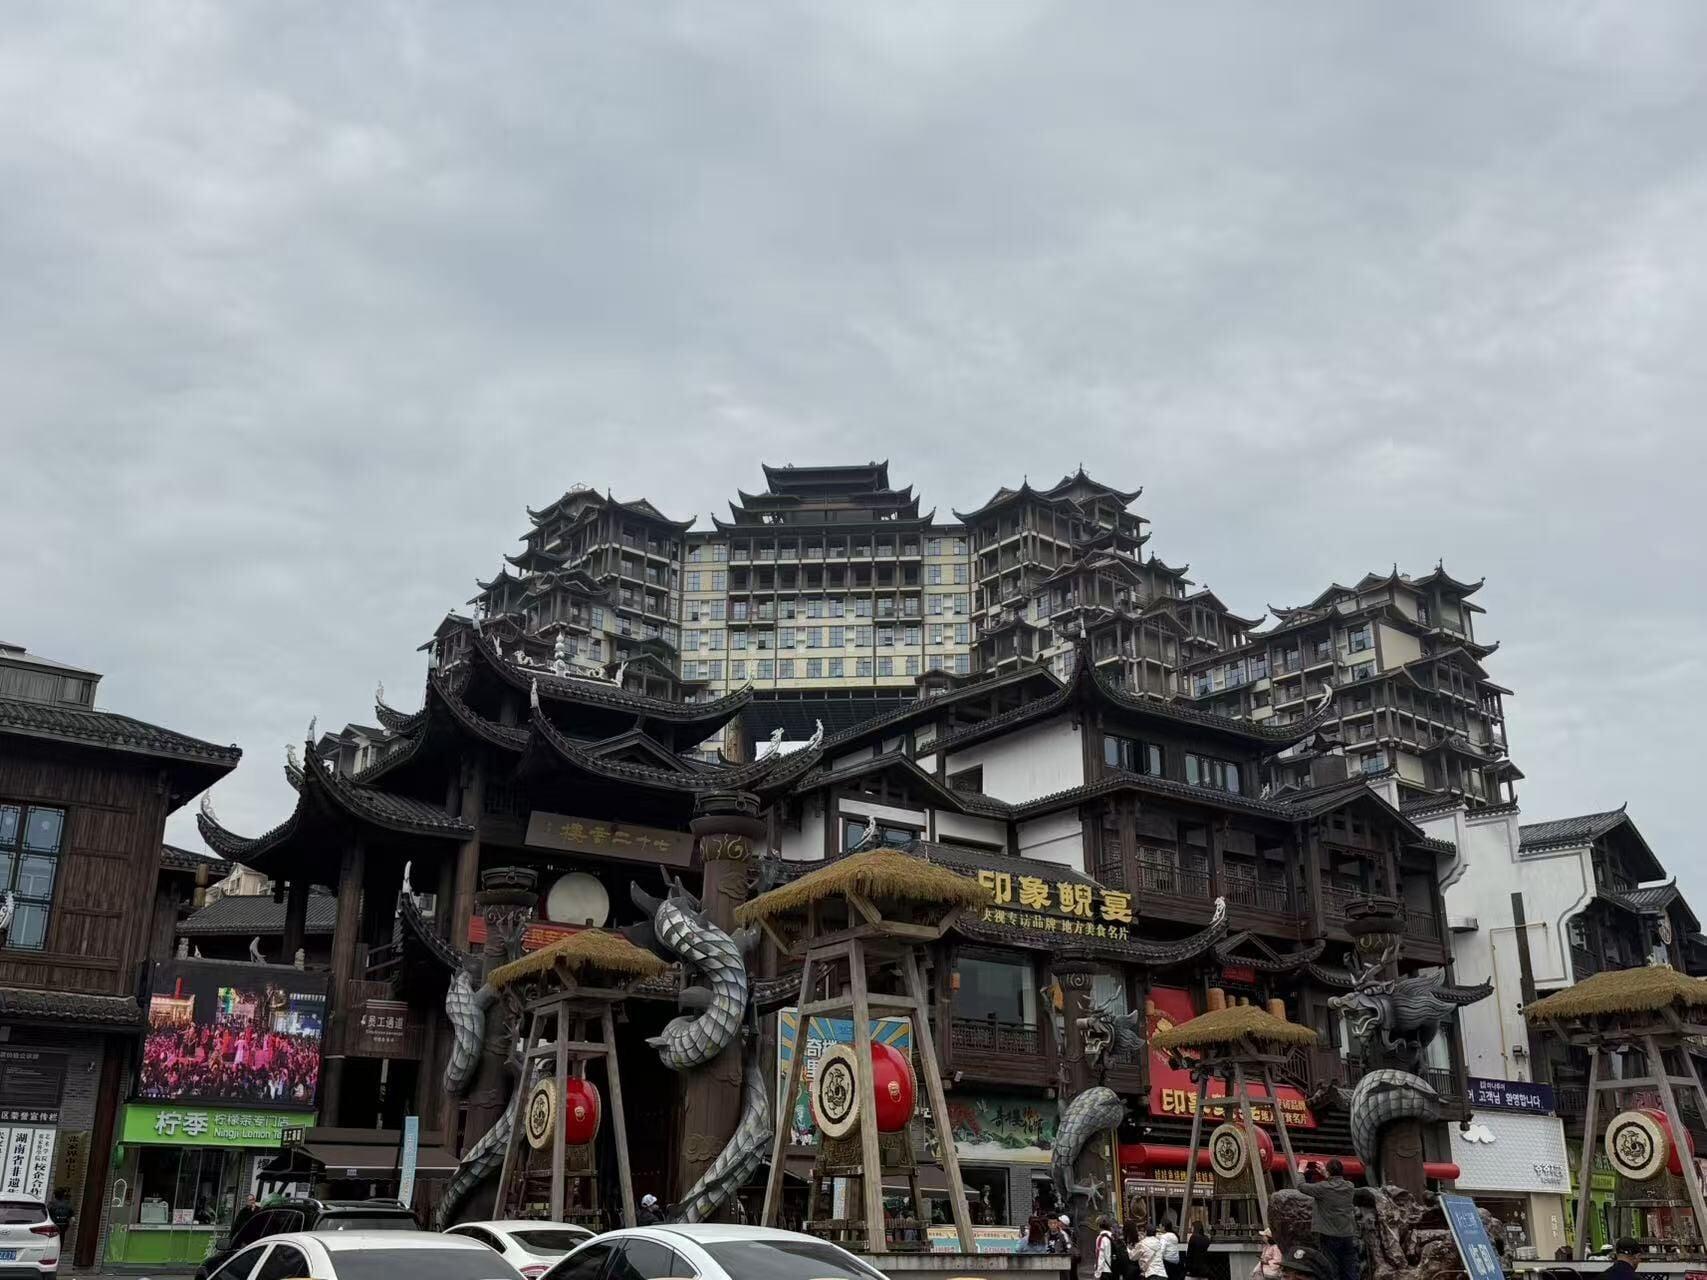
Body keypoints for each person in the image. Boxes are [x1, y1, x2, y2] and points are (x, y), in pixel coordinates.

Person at [1298, 1157, 1359, 1280]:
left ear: (1329, 1172)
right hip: (1347, 1234)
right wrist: (1326, 1173)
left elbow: (1301, 1186)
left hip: (1329, 1234)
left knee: (1331, 1268)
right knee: (1349, 1268)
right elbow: (1334, 1183)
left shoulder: (1323, 1188)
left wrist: (1300, 1171)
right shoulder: (1349, 1186)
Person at [1093, 1215, 1121, 1279]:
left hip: (1105, 1271)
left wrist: (1097, 1274)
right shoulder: (1114, 1236)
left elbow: (1100, 1256)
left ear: (1099, 1226)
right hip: (1115, 1271)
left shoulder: (1101, 1238)